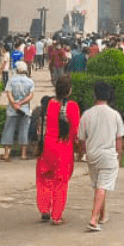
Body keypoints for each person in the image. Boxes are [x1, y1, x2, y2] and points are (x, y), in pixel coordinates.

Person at [76, 80, 124, 231]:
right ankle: (93, 219)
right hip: (108, 154)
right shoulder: (114, 115)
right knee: (103, 185)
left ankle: (102, 215)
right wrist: (119, 156)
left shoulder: (87, 114)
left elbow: (80, 138)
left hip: (92, 154)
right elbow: (119, 139)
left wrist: (83, 152)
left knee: (99, 186)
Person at [37, 75, 80, 224]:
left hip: (47, 145)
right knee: (60, 181)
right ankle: (56, 215)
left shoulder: (48, 103)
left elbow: (40, 123)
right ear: (69, 91)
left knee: (44, 177)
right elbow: (75, 131)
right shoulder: (72, 106)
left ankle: (44, 209)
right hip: (63, 147)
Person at [2, 61, 35, 162]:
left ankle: (7, 154)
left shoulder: (11, 80)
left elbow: (9, 93)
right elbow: (30, 95)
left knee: (9, 129)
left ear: (16, 70)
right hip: (24, 109)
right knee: (24, 131)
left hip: (12, 110)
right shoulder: (30, 81)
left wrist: (14, 104)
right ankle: (23, 154)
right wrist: (21, 103)